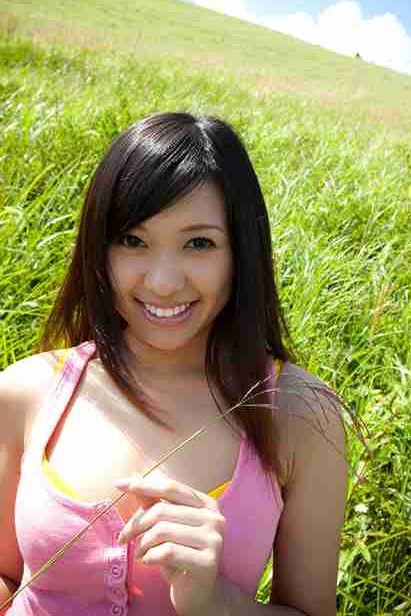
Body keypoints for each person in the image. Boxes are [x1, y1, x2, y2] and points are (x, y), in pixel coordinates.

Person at [0, 112, 347, 616]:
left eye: (198, 243)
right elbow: (7, 576)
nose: (163, 282)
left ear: (241, 252)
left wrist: (218, 603)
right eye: (133, 240)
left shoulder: (301, 414)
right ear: (99, 248)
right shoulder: (25, 393)